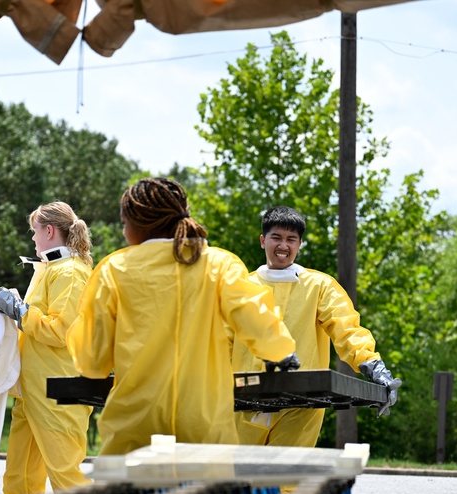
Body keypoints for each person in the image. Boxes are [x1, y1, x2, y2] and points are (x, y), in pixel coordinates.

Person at [66, 177, 298, 456]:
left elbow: (92, 362)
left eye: (124, 223)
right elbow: (256, 318)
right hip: (205, 426)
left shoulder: (113, 269)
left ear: (138, 224)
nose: (125, 231)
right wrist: (281, 350)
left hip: (133, 428)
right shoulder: (218, 263)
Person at [232, 205, 401, 448]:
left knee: (287, 479)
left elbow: (346, 328)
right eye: (276, 237)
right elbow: (220, 338)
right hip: (245, 399)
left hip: (302, 401)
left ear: (299, 244)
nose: (284, 246)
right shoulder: (240, 288)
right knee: (239, 475)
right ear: (262, 240)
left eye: (291, 239)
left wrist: (374, 366)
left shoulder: (319, 286)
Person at [0, 202, 94, 494]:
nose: (33, 239)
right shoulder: (51, 268)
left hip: (59, 390)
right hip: (34, 390)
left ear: (49, 231)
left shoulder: (71, 272)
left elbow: (62, 330)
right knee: (19, 475)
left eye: (34, 232)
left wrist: (21, 312)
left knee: (66, 476)